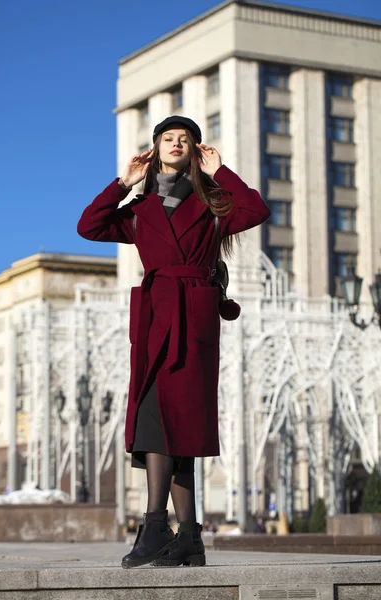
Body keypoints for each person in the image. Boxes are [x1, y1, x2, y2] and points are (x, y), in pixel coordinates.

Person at [77, 115, 270, 568]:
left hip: (193, 318)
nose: (177, 143)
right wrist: (122, 182)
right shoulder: (140, 209)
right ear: (155, 149)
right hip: (154, 317)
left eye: (185, 139)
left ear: (196, 151)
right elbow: (90, 226)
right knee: (161, 420)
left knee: (172, 421)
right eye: (168, 138)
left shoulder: (214, 203)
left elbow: (257, 211)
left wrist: (220, 173)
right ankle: (188, 537)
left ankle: (156, 525)